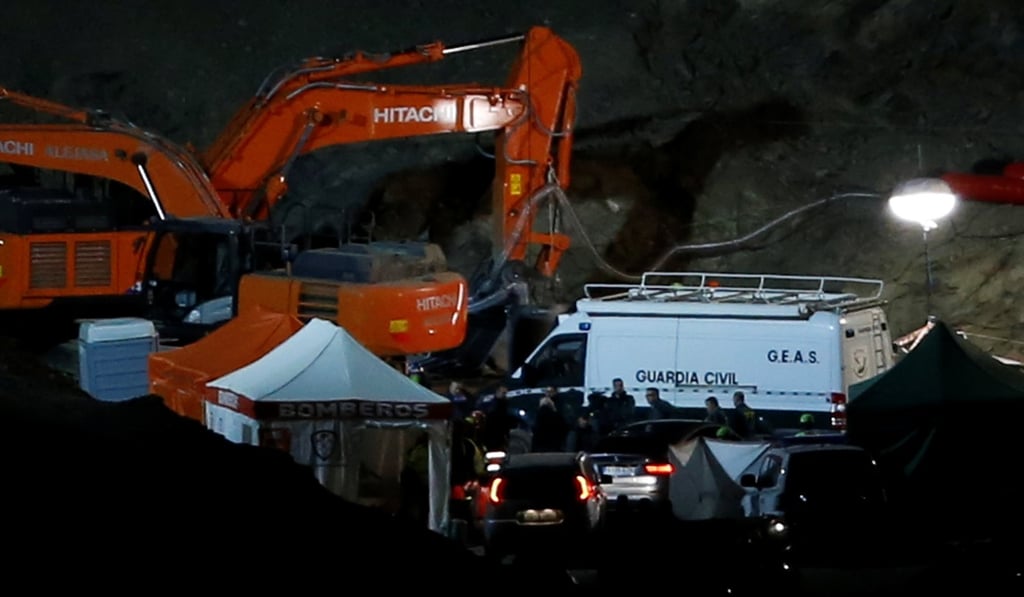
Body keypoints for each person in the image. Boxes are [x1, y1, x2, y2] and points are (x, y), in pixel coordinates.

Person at [531, 387, 570, 451]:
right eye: (547, 392)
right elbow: (536, 422)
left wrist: (553, 407)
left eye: (551, 391)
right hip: (542, 438)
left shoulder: (561, 404)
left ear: (556, 392)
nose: (548, 394)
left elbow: (563, 422)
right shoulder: (541, 405)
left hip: (555, 437)